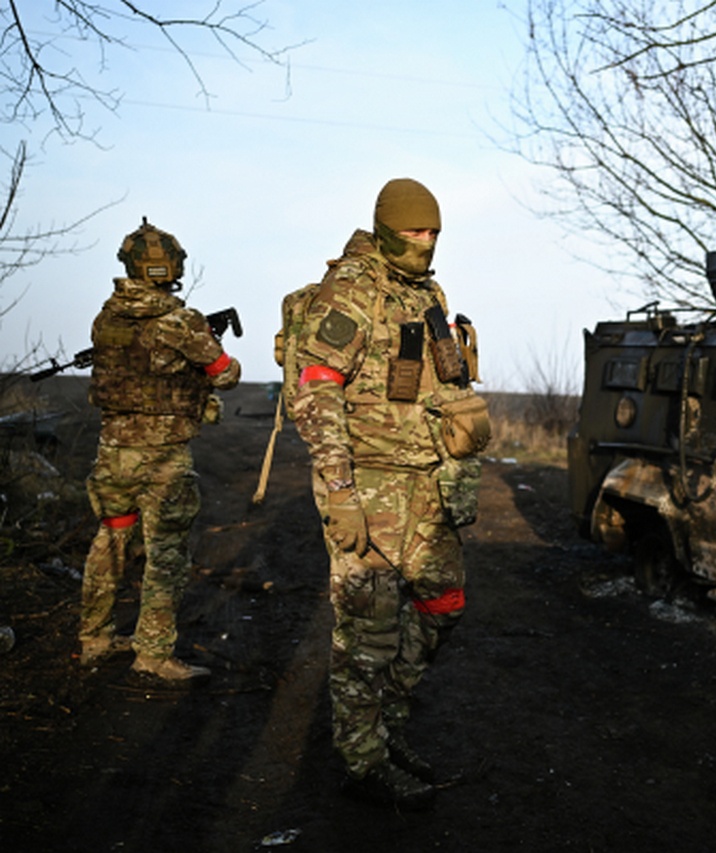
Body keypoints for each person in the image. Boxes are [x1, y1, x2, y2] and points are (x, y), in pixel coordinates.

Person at [288, 178, 482, 810]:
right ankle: (363, 761)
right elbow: (316, 392)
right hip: (368, 486)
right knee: (365, 637)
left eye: (434, 234)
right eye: (415, 233)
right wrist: (339, 491)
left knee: (443, 605)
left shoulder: (429, 293)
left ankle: (386, 724)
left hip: (427, 484)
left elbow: (446, 379)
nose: (425, 243)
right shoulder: (349, 291)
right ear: (387, 228)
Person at [79, 218, 241, 685]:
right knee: (166, 553)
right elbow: (226, 373)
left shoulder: (105, 318)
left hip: (112, 451)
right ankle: (152, 654)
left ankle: (94, 638)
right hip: (163, 459)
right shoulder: (180, 321)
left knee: (110, 538)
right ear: (172, 267)